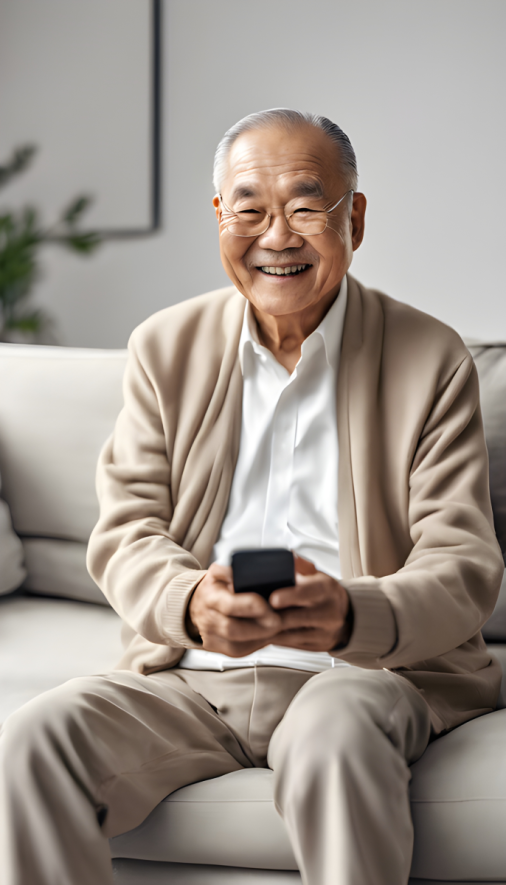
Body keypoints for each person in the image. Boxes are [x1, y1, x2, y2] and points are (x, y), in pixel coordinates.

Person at [0, 108, 503, 885]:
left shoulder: (428, 356)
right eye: (249, 209)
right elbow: (126, 529)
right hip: (192, 677)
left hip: (364, 675)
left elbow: (463, 562)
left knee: (335, 734)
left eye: (306, 207)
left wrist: (350, 613)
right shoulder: (164, 346)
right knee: (37, 738)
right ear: (218, 217)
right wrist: (195, 602)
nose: (277, 236)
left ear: (355, 218)